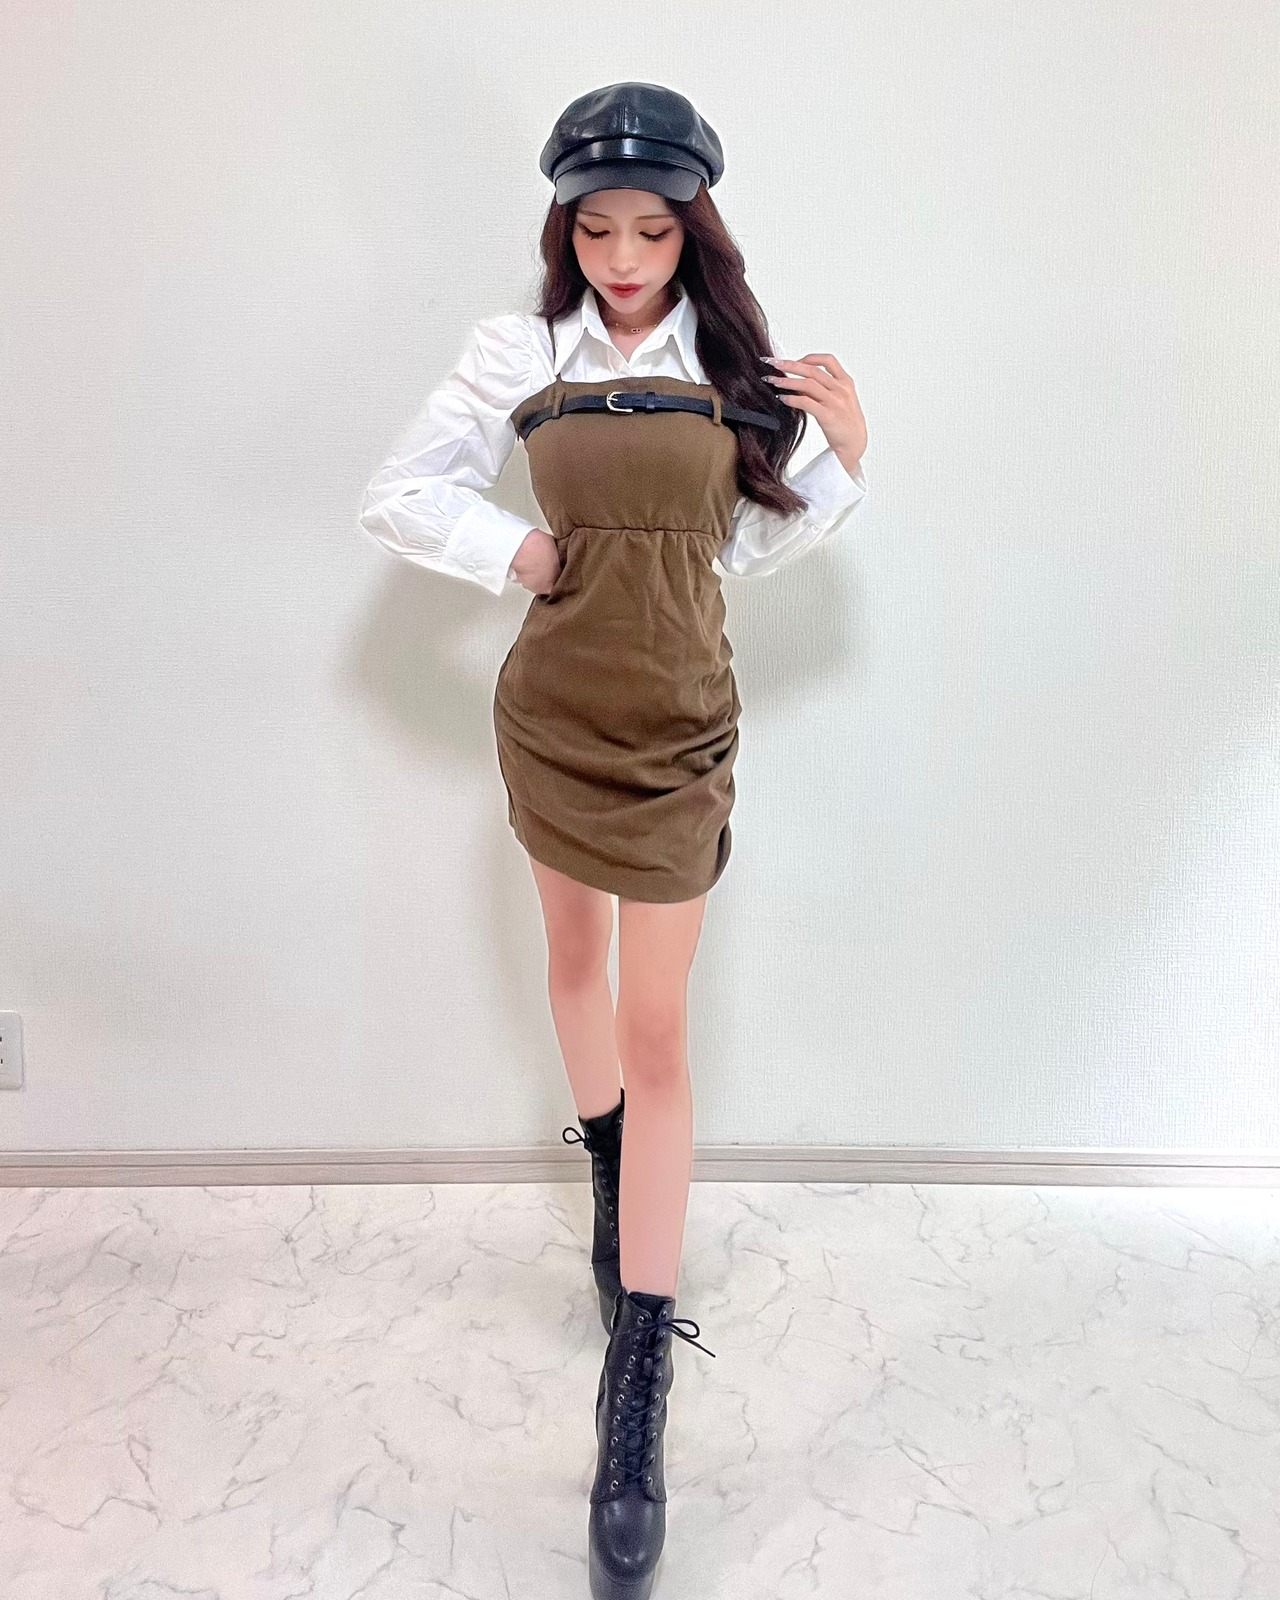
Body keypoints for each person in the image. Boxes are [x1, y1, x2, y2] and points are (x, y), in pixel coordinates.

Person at [359, 81, 868, 1600]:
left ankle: (636, 1372)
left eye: (654, 230)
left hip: (680, 728)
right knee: (574, 973)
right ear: (566, 230)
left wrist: (843, 453)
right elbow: (397, 492)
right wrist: (513, 545)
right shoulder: (520, 353)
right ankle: (611, 1178)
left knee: (659, 1028)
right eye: (598, 230)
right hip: (555, 714)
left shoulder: (736, 365)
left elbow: (744, 547)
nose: (627, 258)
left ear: (692, 228)